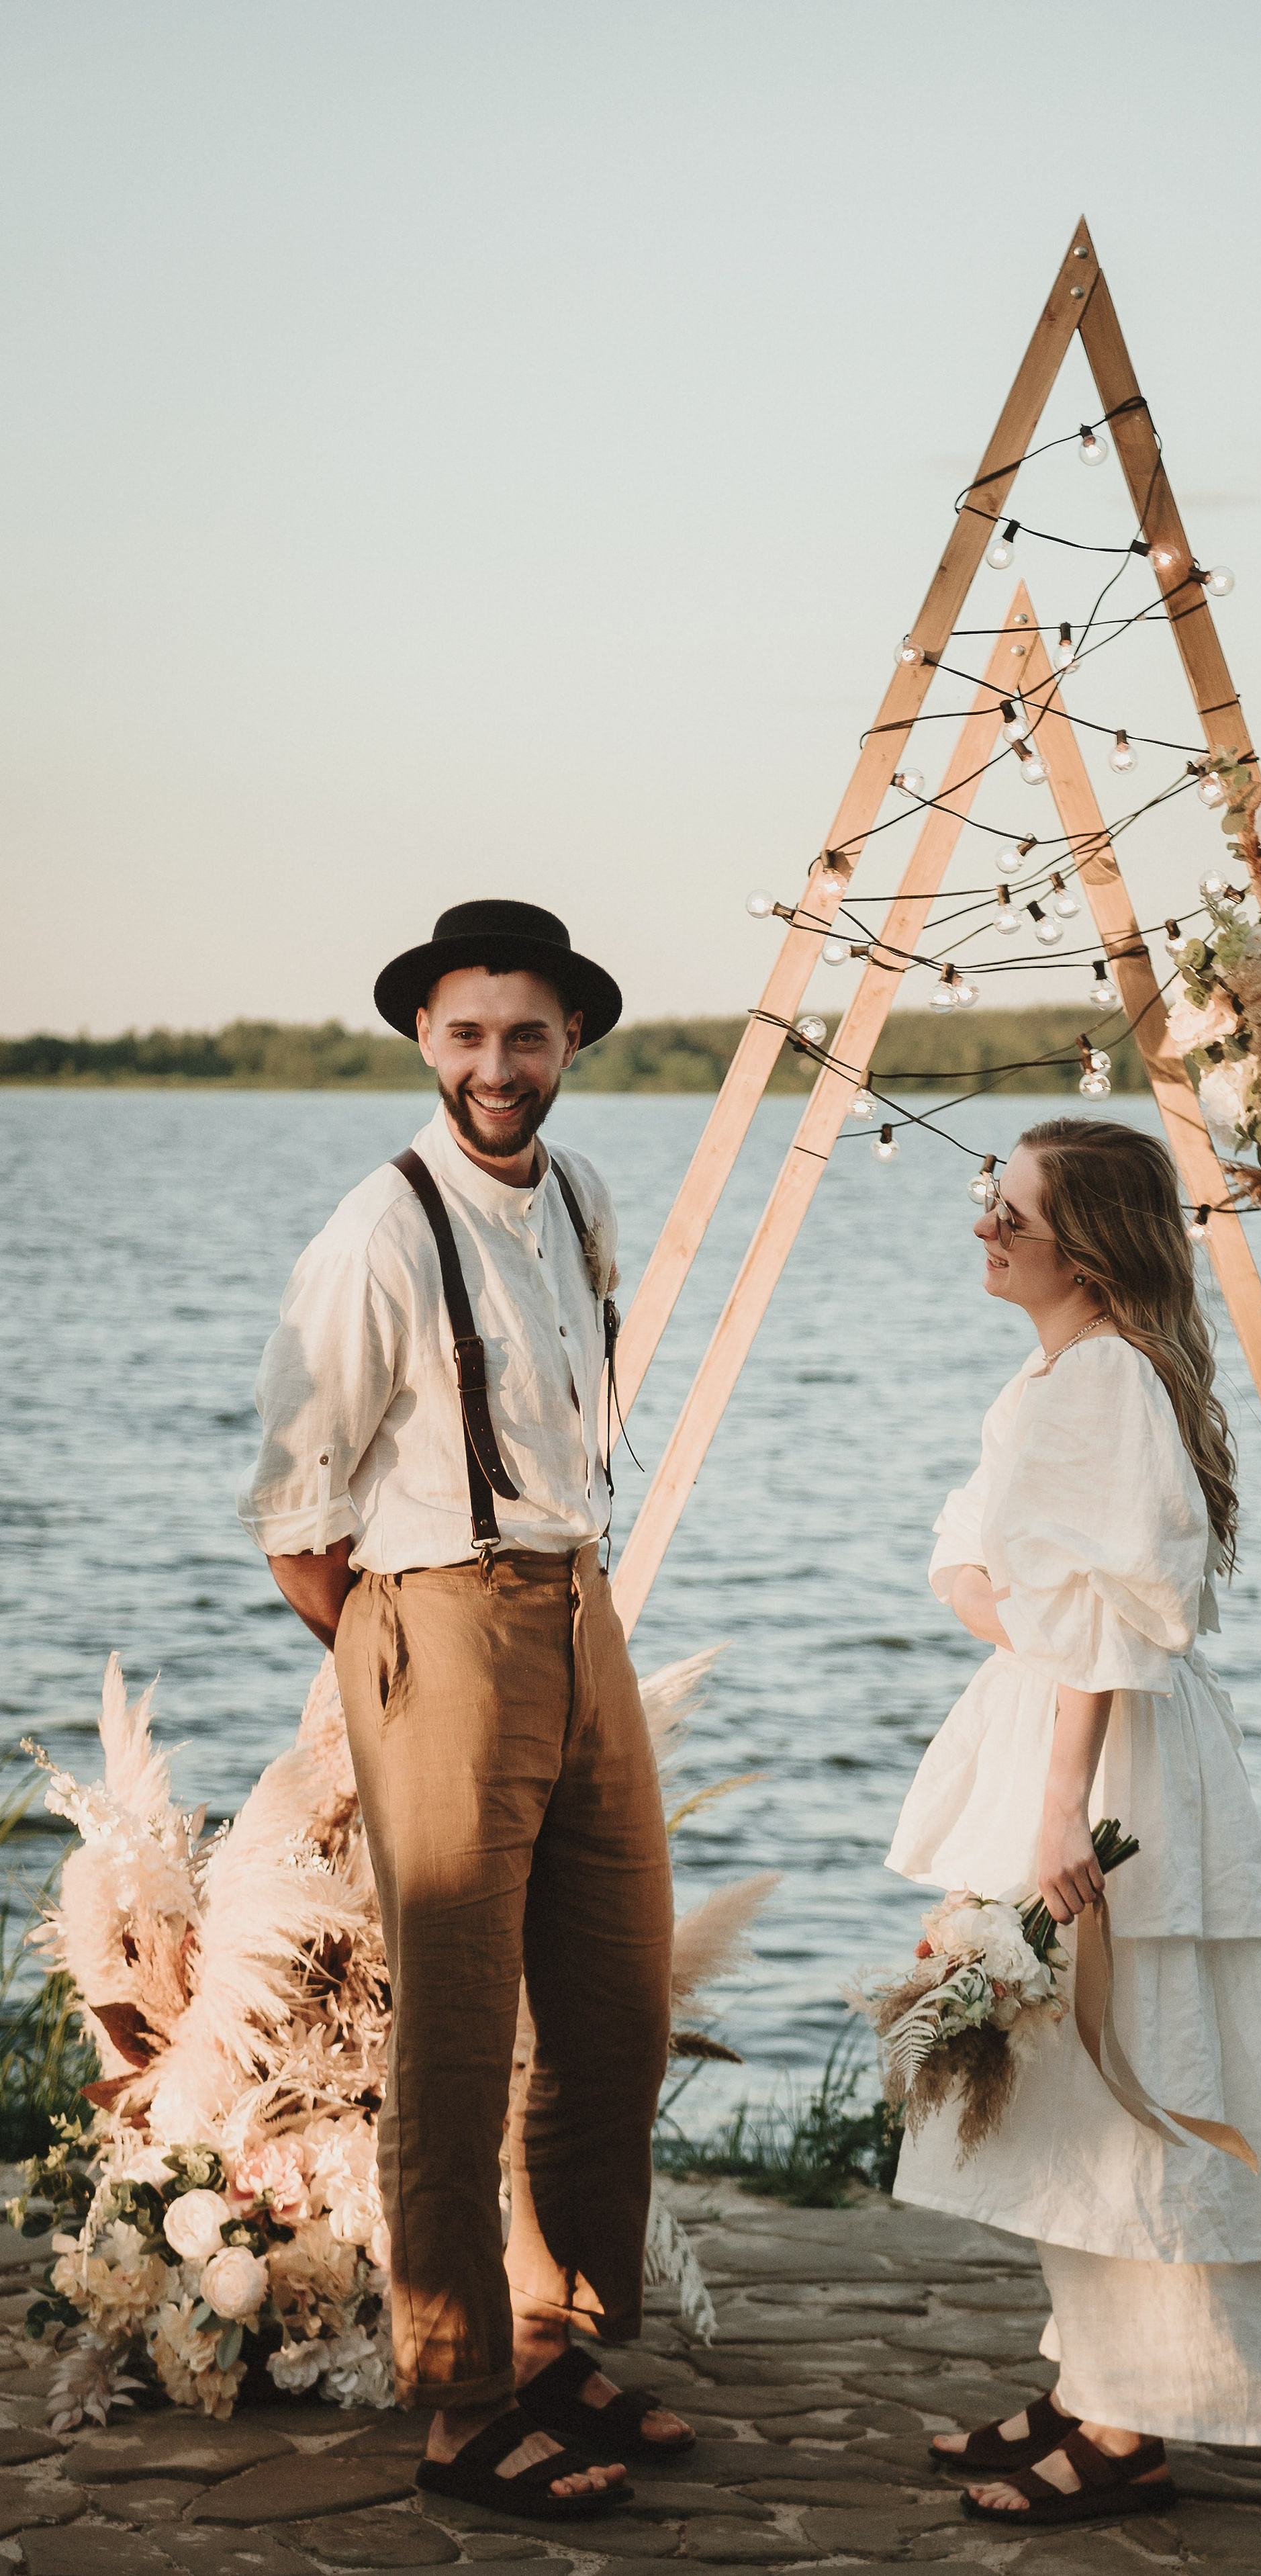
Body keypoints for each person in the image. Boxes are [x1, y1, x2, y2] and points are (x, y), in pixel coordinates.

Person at [238, 898, 692, 2529]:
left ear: (571, 1041)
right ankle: (457, 2405)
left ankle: (555, 2336)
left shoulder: (579, 1195)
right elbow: (296, 1507)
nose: (495, 1064)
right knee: (449, 2034)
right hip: (441, 1620)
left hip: (579, 1613)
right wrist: (402, 1652)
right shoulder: (376, 1230)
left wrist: (545, 1619)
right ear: (425, 1043)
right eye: (465, 1034)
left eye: (525, 1033)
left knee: (615, 1999)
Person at [886, 1117, 1261, 2533]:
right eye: (989, 1202)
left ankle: (1123, 2426)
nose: (984, 1229)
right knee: (1066, 2088)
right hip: (1064, 1723)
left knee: (1123, 2068)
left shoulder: (1102, 1381)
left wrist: (1060, 1813)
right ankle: (1089, 2379)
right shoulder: (1061, 1373)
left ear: (1084, 1248)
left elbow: (1087, 1617)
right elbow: (976, 1569)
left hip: (1096, 1754)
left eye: (1010, 1215)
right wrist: (999, 1602)